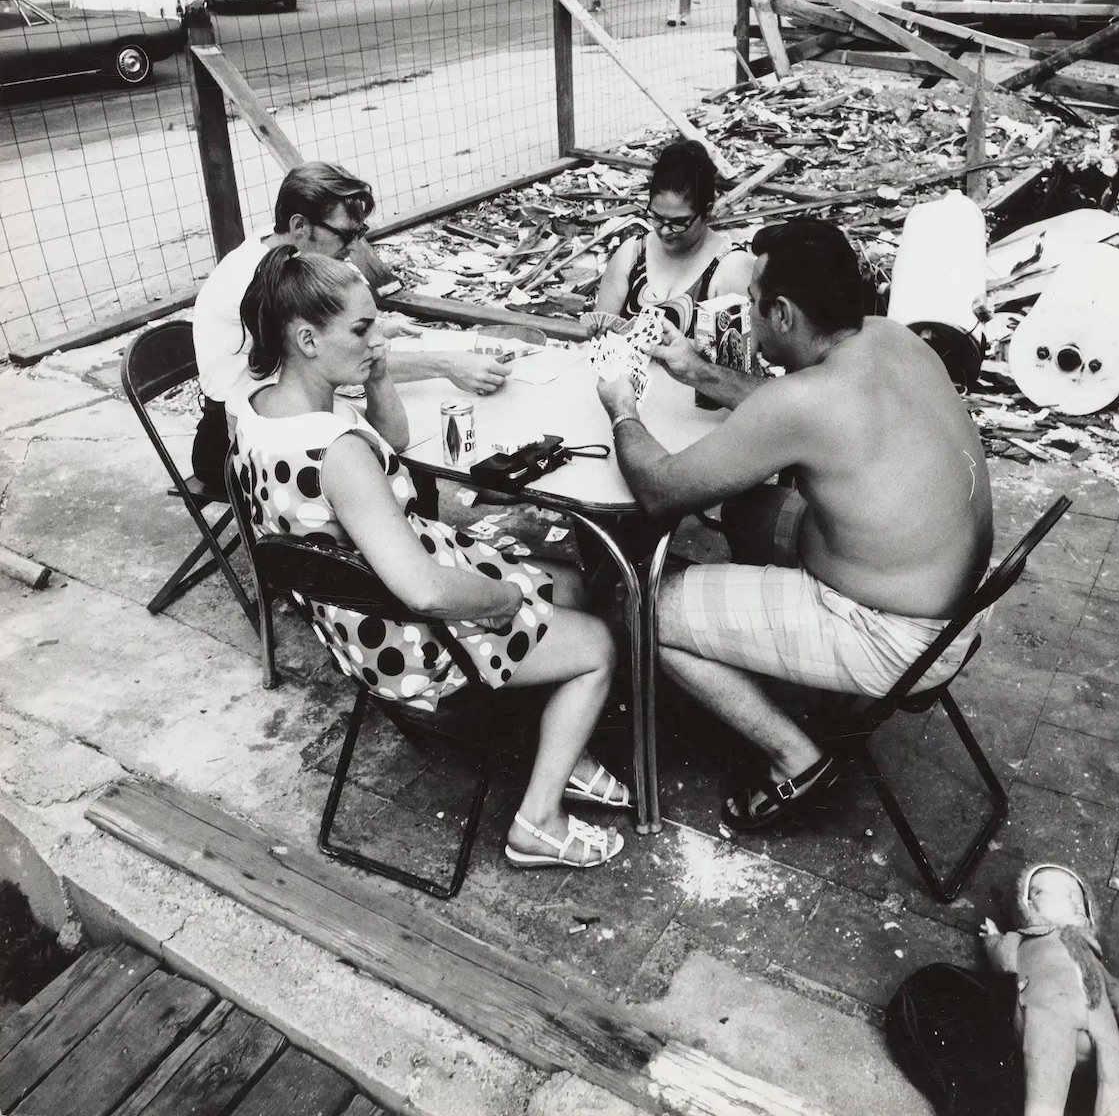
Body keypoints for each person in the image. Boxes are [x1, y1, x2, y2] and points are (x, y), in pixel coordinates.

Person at [594, 217, 993, 834]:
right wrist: (699, 371)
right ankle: (769, 661)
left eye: (752, 305)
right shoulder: (892, 338)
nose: (748, 318)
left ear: (781, 313)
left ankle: (797, 759)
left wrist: (622, 408)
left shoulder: (807, 399)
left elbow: (658, 490)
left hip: (897, 633)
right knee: (748, 510)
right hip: (956, 602)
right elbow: (805, 415)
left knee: (638, 602)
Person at [233, 248, 627, 869]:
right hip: (408, 635)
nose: (378, 337)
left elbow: (389, 441)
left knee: (570, 584)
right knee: (600, 644)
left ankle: (564, 749)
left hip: (351, 618)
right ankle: (538, 822)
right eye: (362, 329)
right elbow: (425, 591)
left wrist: (376, 370)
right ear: (308, 339)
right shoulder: (335, 453)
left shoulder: (263, 407)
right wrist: (506, 601)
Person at [191, 162, 511, 495]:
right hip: (233, 443)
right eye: (346, 234)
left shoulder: (282, 248)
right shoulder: (257, 281)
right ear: (299, 225)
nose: (355, 245)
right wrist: (446, 364)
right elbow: (335, 360)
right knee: (396, 466)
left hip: (283, 416)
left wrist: (374, 327)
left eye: (360, 232)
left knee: (393, 446)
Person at [583, 140, 754, 340]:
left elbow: (736, 364)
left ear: (706, 212)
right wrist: (600, 336)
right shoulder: (632, 255)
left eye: (678, 222)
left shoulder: (733, 270)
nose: (664, 231)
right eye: (656, 217)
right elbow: (602, 326)